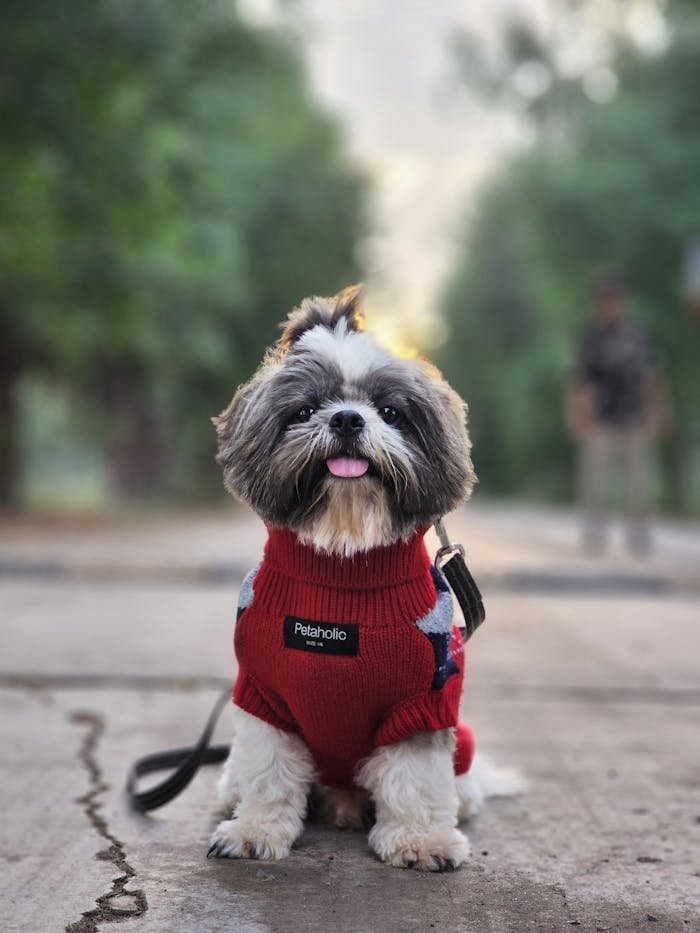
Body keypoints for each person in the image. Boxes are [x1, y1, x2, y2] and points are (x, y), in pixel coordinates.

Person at [567, 275, 666, 556]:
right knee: (596, 483)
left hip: (634, 416)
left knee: (640, 482)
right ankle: (595, 535)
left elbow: (652, 376)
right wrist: (579, 415)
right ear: (599, 304)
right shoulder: (592, 337)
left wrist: (657, 413)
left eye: (615, 300)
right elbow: (580, 380)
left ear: (623, 303)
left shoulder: (638, 335)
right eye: (606, 301)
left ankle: (639, 536)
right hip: (601, 418)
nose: (611, 306)